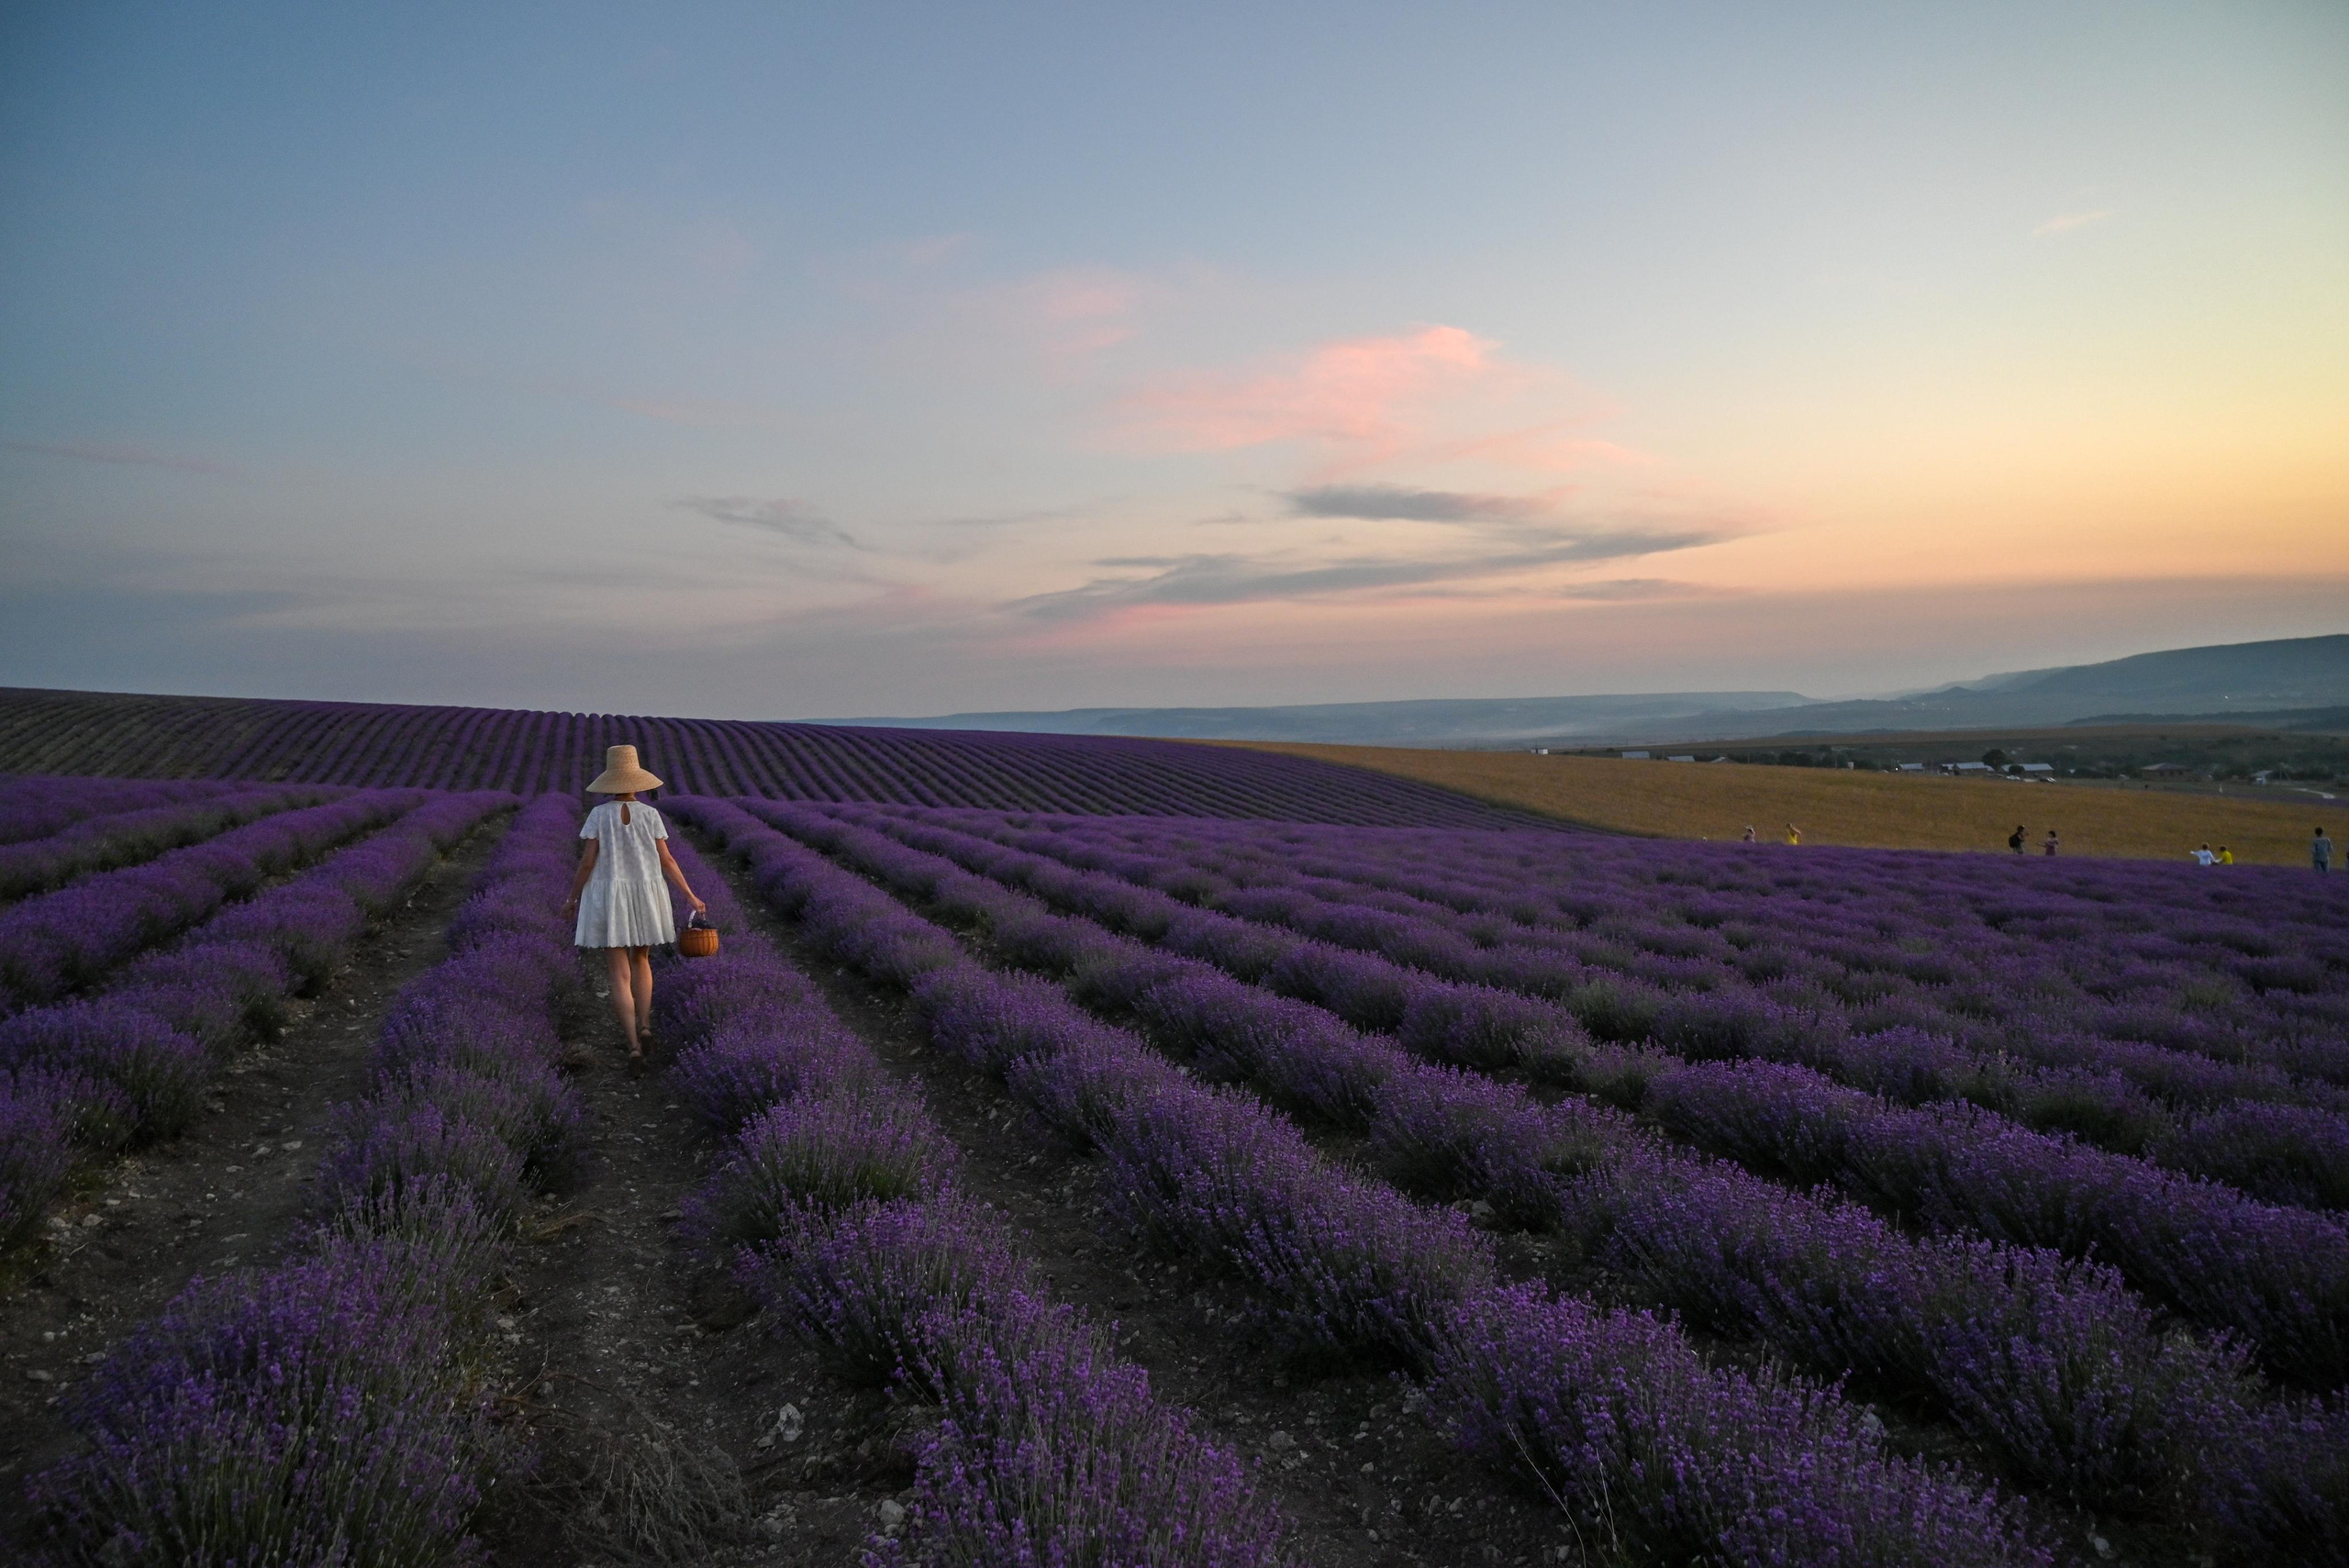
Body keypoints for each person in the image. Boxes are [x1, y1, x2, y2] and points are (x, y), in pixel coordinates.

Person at [562, 745, 706, 1069]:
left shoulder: (599, 815)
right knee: (642, 959)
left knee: (617, 972)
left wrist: (572, 898)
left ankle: (633, 1047)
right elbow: (667, 860)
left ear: (610, 781)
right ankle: (645, 1025)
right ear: (637, 780)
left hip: (609, 895)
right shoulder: (650, 814)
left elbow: (587, 863)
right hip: (644, 893)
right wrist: (690, 895)